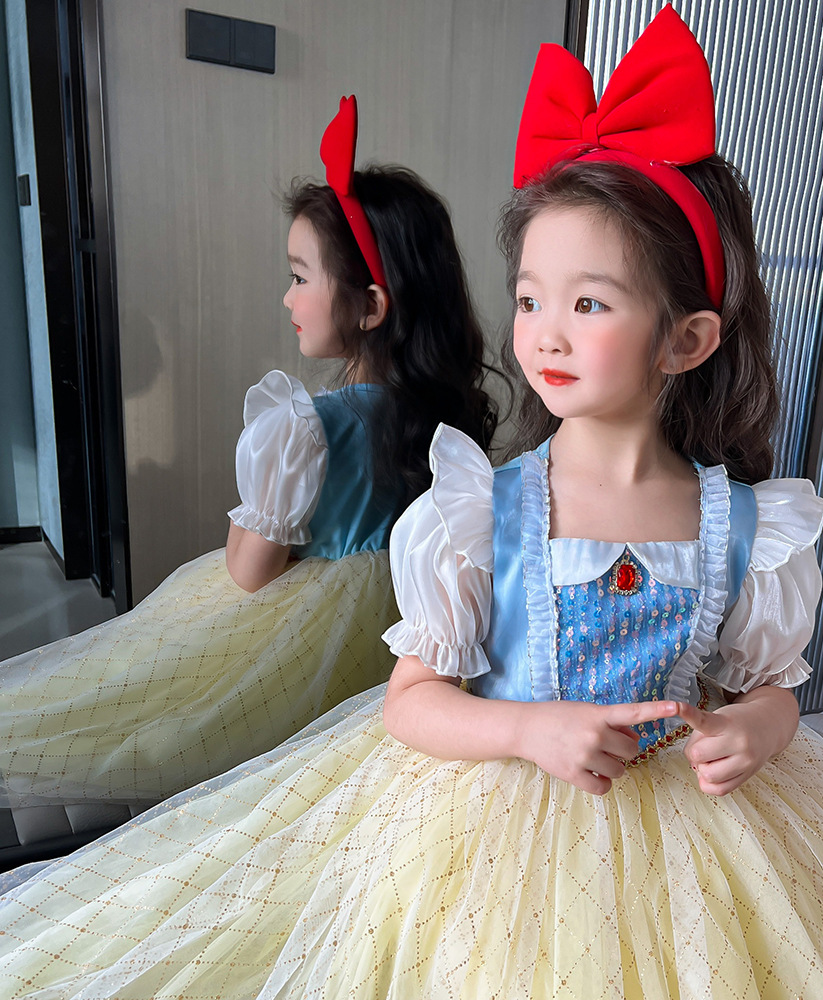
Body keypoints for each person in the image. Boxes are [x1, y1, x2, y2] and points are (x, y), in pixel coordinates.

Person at [1, 11, 823, 998]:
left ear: (685, 339)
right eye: (529, 299)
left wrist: (763, 729)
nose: (546, 333)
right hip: (501, 816)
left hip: (697, 836)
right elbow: (410, 703)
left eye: (589, 303)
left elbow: (765, 687)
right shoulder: (482, 512)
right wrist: (529, 731)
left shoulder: (747, 525)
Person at [0, 96, 498, 808]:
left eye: (299, 277)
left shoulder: (304, 428)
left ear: (370, 305)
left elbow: (250, 570)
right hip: (393, 635)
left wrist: (257, 513)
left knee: (156, 709)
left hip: (294, 636)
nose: (287, 298)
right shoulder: (446, 420)